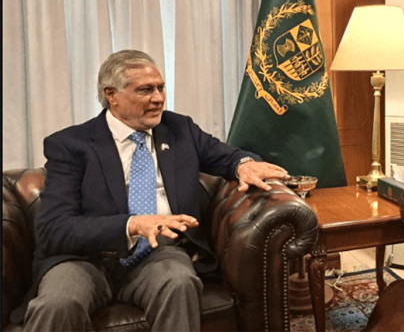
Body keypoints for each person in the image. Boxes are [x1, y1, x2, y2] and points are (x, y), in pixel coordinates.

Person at [23, 50, 290, 330]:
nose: (159, 98)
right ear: (112, 95)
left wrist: (243, 164)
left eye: (161, 88)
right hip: (84, 259)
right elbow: (53, 229)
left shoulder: (179, 129)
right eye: (145, 90)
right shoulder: (70, 145)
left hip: (158, 253)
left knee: (180, 282)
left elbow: (227, 156)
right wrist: (133, 224)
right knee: (58, 304)